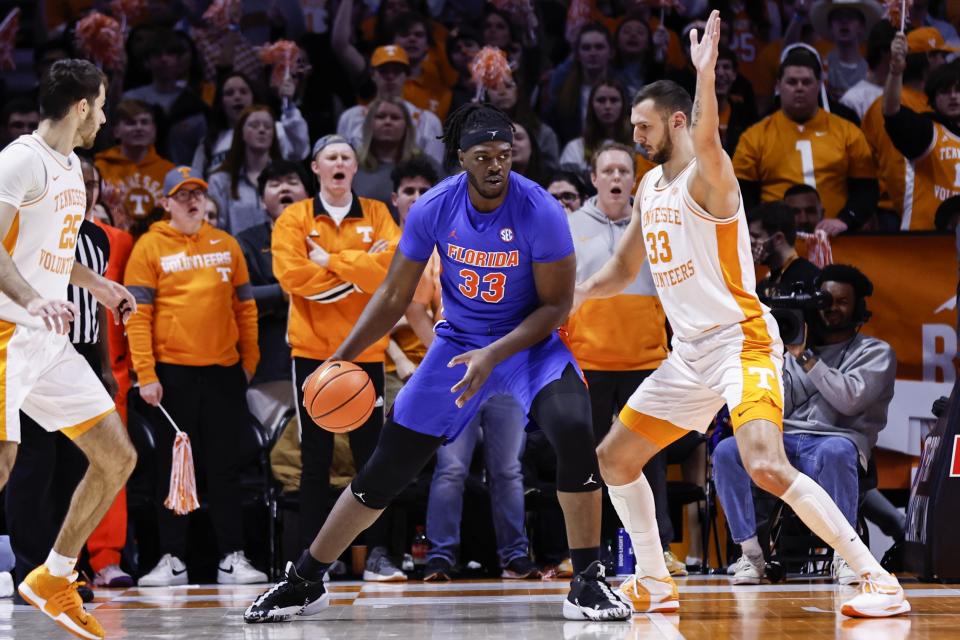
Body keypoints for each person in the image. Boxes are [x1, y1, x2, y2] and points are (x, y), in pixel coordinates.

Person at [574, 12, 909, 619]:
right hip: (690, 355)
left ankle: (875, 576)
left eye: (644, 127)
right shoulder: (649, 189)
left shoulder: (710, 178)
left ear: (677, 121)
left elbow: (706, 138)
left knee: (763, 463)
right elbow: (623, 273)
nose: (635, 137)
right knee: (615, 457)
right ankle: (655, 579)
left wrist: (705, 76)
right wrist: (569, 297)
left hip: (742, 343)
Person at [244, 103, 632, 624]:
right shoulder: (434, 206)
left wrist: (494, 354)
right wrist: (339, 356)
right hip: (457, 344)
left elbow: (556, 307)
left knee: (573, 427)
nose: (496, 165)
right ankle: (305, 579)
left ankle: (587, 581)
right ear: (461, 159)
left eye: (504, 155)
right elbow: (391, 295)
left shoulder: (539, 208)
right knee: (386, 468)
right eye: (483, 156)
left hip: (528, 346)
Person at [0, 58, 138, 640]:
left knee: (116, 457)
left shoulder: (73, 169)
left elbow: (51, 252)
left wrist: (96, 284)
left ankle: (54, 576)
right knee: (3, 465)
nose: (104, 118)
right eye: (102, 106)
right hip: (7, 334)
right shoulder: (19, 160)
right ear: (81, 106)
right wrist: (33, 300)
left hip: (47, 342)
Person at [269, 134, 407, 582]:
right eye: (331, 157)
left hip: (367, 350)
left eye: (347, 156)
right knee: (316, 459)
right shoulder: (294, 217)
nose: (340, 162)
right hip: (312, 353)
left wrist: (331, 259)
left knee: (375, 459)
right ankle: (313, 562)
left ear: (354, 166)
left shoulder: (379, 213)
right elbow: (292, 277)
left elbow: (391, 272)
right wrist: (359, 271)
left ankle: (379, 555)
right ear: (316, 167)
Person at [125, 166, 266, 587]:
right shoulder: (148, 247)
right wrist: (146, 374)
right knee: (174, 470)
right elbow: (137, 316)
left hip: (224, 373)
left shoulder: (226, 245)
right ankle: (171, 558)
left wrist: (249, 362)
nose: (192, 200)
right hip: (172, 376)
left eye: (197, 193)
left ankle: (232, 557)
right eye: (182, 194)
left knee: (225, 468)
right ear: (165, 203)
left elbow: (246, 308)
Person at [714, 264, 894, 587]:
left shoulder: (876, 352)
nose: (832, 309)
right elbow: (784, 400)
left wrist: (808, 358)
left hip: (835, 443)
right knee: (728, 450)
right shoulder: (795, 348)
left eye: (842, 302)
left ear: (859, 307)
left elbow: (849, 399)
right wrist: (782, 354)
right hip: (785, 440)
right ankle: (751, 554)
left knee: (837, 450)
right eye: (826, 301)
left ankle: (846, 555)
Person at [733, 45, 878, 236]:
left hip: (837, 238)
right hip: (777, 240)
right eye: (792, 82)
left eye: (806, 82)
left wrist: (845, 220)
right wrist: (763, 228)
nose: (799, 88)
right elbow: (741, 195)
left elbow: (866, 189)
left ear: (819, 85)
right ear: (778, 86)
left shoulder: (847, 131)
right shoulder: (754, 136)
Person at [237, 160, 312, 431]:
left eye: (292, 182)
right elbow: (241, 298)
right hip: (270, 366)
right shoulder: (246, 242)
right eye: (275, 184)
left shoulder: (326, 237)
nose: (284, 188)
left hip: (324, 361)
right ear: (261, 201)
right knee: (278, 447)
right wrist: (287, 292)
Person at [883, 31, 960, 231]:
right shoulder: (926, 131)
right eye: (945, 91)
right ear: (934, 99)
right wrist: (895, 72)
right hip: (924, 241)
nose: (953, 97)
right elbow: (891, 111)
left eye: (959, 90)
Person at [336, 45, 445, 167]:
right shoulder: (350, 118)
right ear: (372, 74)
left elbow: (435, 170)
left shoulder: (428, 121)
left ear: (407, 75)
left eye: (397, 71)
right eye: (383, 71)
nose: (390, 77)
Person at [94, 100, 175, 227]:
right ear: (116, 131)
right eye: (130, 123)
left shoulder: (169, 171)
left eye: (144, 122)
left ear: (154, 130)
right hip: (113, 239)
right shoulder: (100, 167)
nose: (139, 128)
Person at [207, 105, 282, 236]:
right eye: (254, 125)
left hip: (280, 253)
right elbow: (215, 230)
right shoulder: (219, 180)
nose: (262, 130)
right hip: (237, 253)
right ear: (241, 133)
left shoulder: (286, 178)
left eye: (268, 126)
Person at [749, 201, 821, 299]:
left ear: (778, 238)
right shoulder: (764, 283)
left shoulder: (810, 279)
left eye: (756, 236)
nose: (750, 242)